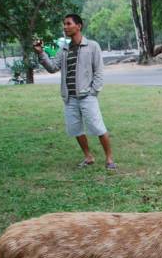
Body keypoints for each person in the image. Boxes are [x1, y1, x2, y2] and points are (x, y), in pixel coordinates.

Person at [33, 14, 116, 170]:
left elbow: (98, 72)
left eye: (68, 24)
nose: (65, 27)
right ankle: (88, 157)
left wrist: (93, 92)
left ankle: (109, 158)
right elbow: (52, 68)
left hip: (87, 97)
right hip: (70, 98)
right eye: (64, 24)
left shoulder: (92, 46)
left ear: (79, 26)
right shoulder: (64, 49)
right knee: (76, 129)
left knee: (98, 127)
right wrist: (40, 53)